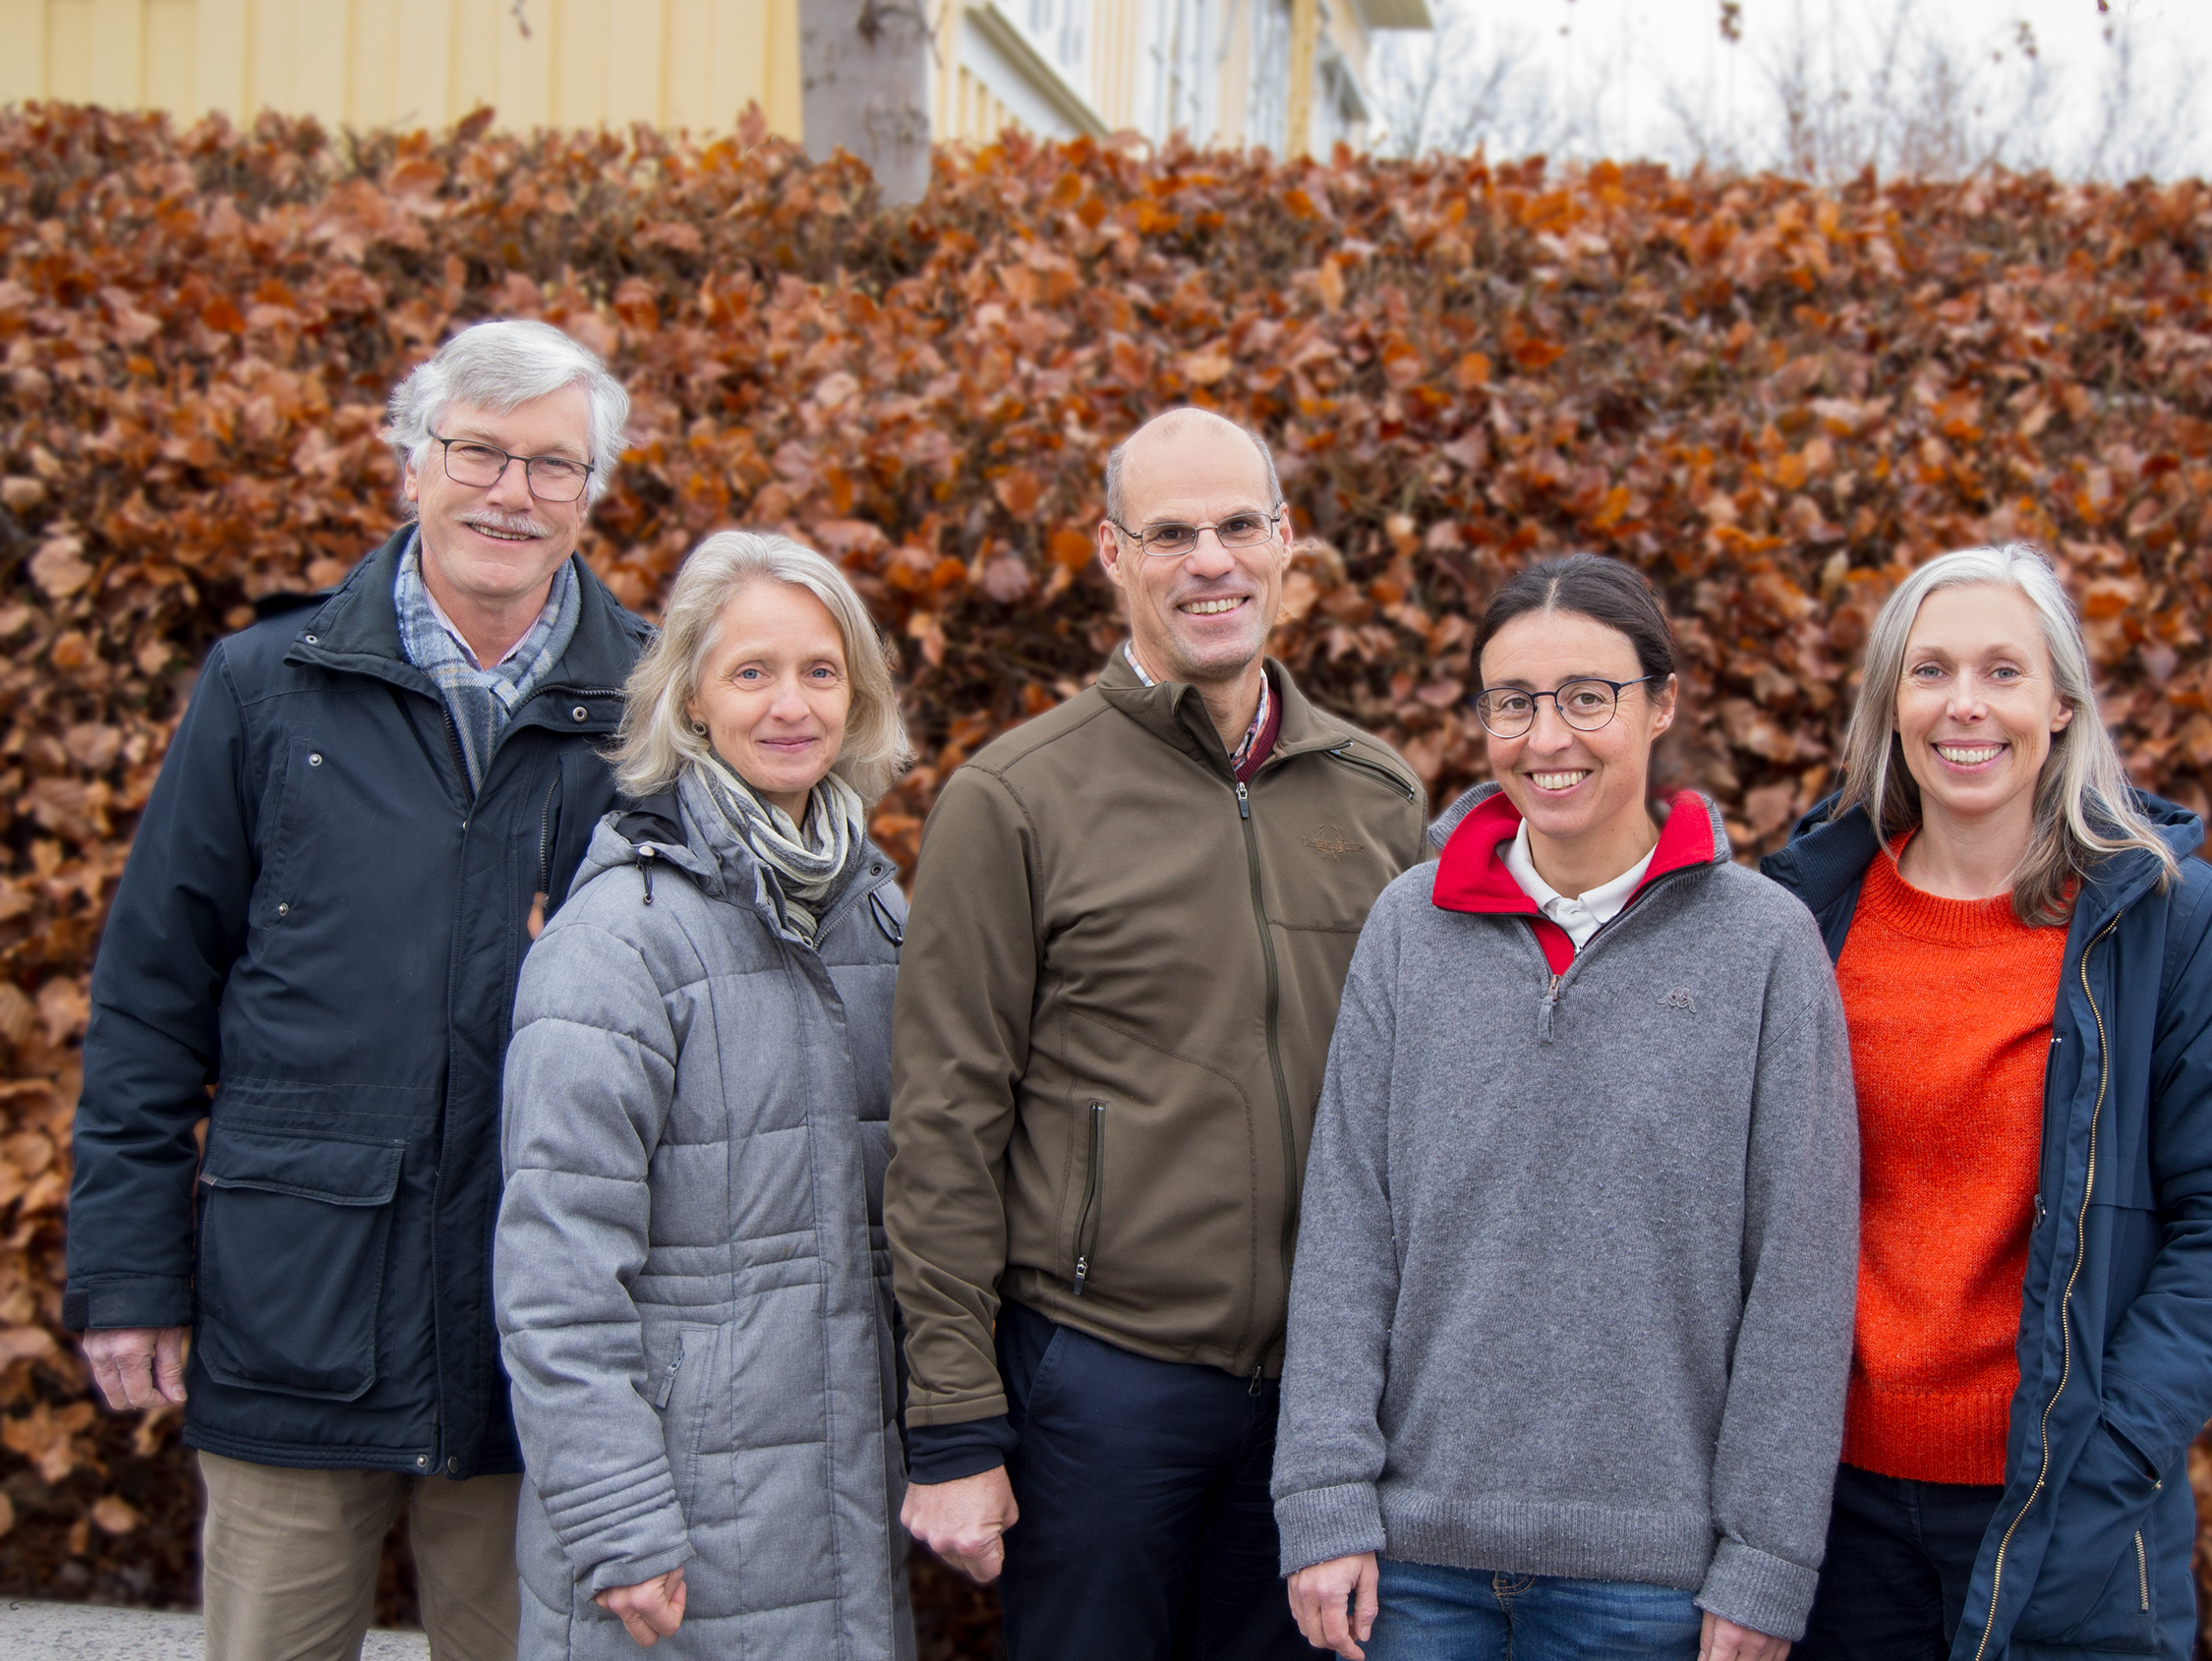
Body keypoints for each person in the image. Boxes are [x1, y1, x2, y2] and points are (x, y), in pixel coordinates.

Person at [64, 320, 649, 1661]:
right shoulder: (265, 689)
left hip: (540, 1337)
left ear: (590, 494)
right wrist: (130, 1273)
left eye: (551, 466)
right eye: (479, 454)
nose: (511, 493)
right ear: (411, 466)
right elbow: (152, 994)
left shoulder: (654, 706)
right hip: (294, 1306)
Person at [886, 407, 1429, 1659]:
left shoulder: (1378, 795)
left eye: (1240, 527)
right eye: (1171, 533)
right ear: (1112, 554)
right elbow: (942, 1127)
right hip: (1100, 1386)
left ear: (1288, 545)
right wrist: (957, 1427)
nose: (1211, 562)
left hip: (1321, 1409)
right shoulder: (1013, 800)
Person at [1274, 553, 1860, 1661]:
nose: (1547, 738)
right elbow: (1348, 1229)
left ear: (1662, 703)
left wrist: (1767, 1563)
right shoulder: (1409, 930)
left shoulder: (1763, 948)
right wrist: (1323, 1500)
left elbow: (1799, 1275)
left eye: (1587, 697)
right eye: (1513, 703)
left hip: (1654, 1585)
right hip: (1411, 1566)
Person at [1758, 544, 2212, 1661]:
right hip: (1828, 1515)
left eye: (2003, 672)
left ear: (2061, 703)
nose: (1966, 706)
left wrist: (2109, 1457)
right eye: (1930, 672)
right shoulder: (1798, 920)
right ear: (1889, 705)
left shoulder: (2173, 919)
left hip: (2066, 1509)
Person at [495, 530, 917, 1657]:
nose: (792, 705)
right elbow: (555, 1275)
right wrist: (617, 1522)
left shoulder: (882, 919)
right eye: (751, 672)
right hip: (677, 1531)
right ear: (688, 699)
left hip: (846, 1508)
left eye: (820, 672)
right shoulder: (617, 942)